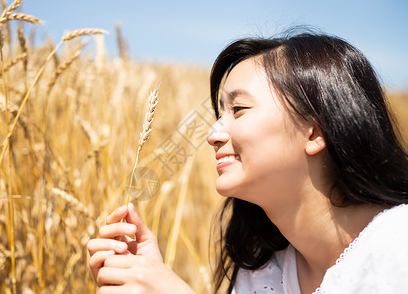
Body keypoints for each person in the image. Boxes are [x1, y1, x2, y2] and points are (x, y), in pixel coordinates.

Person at [87, 32, 408, 294]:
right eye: (219, 114)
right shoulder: (262, 271)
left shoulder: (398, 247)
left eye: (238, 108)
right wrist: (144, 278)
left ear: (314, 131)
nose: (212, 134)